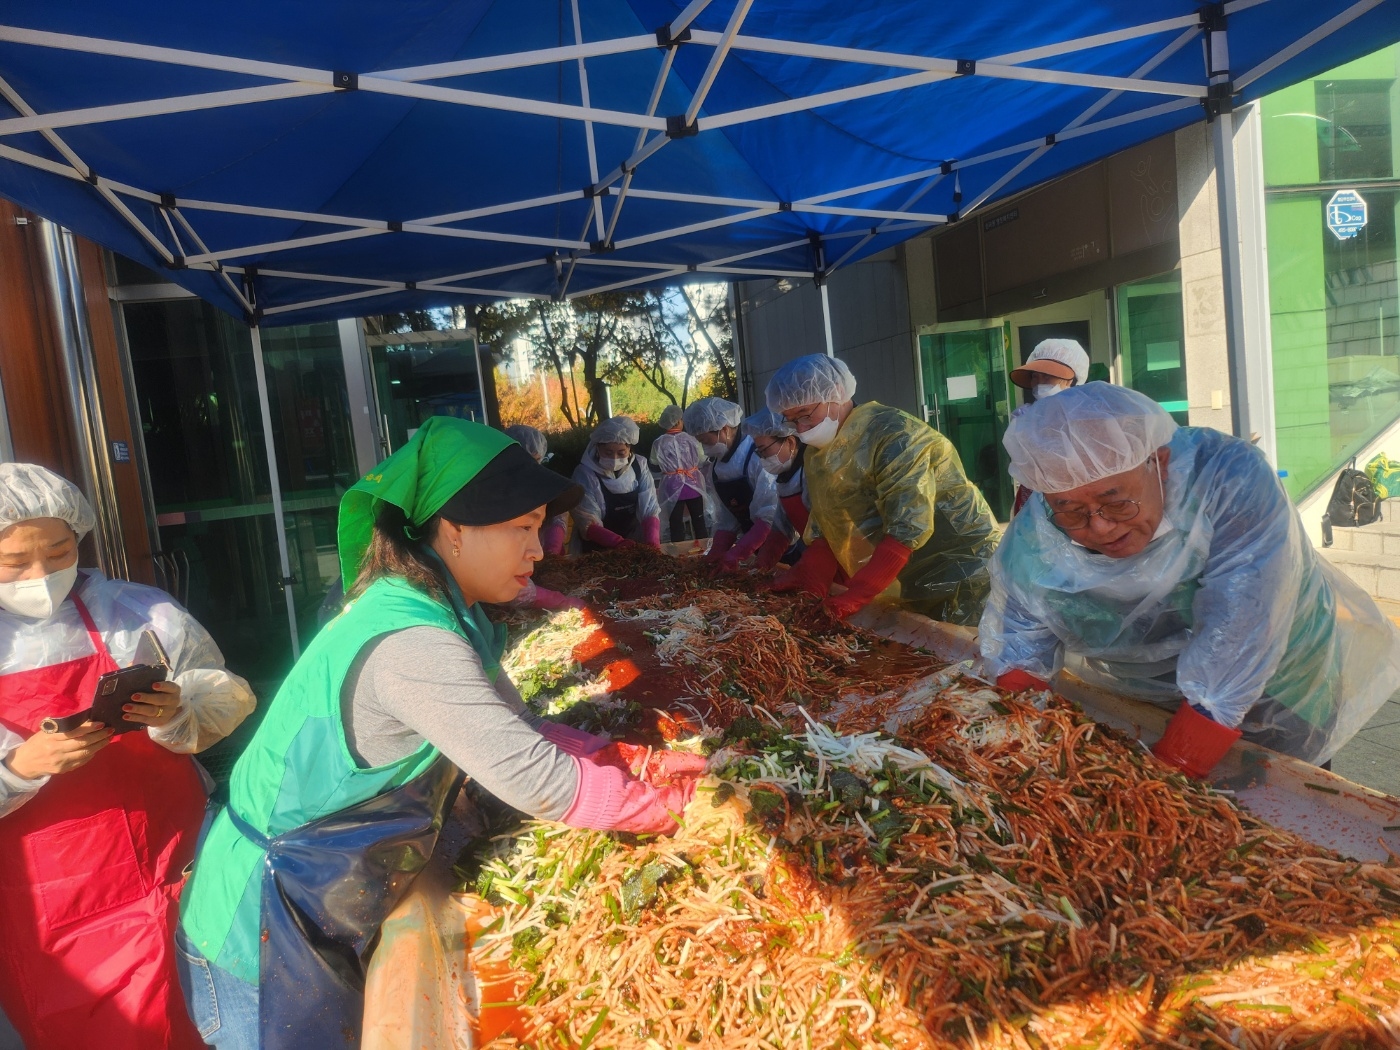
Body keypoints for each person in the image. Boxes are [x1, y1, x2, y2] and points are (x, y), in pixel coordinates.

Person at [177, 419, 704, 1049]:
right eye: (523, 527)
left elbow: (518, 728)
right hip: (265, 919)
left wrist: (623, 759)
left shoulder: (440, 609)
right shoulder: (413, 639)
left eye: (539, 527)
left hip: (321, 894)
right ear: (453, 530)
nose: (540, 549)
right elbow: (535, 778)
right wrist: (673, 811)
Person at [980, 383, 1400, 777]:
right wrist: (1013, 738)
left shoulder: (1228, 480)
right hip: (1148, 697)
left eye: (1117, 502)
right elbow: (1019, 649)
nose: (1101, 526)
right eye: (1072, 511)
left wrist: (1174, 769)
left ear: (1158, 463)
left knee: (1284, 799)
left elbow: (1243, 627)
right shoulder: (1036, 537)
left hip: (1278, 684)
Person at [0, 463, 254, 1050]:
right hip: (54, 901)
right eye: (16, 561)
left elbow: (222, 695)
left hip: (174, 860)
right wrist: (20, 768)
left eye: (59, 551)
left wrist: (174, 712)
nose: (41, 574)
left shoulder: (136, 614)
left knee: (209, 1015)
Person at [766, 355, 1000, 624]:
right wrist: (809, 571)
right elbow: (830, 522)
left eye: (806, 415)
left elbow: (908, 526)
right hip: (910, 573)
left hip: (966, 570)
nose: (802, 429)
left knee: (974, 650)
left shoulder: (896, 434)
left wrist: (858, 593)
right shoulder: (820, 454)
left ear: (837, 394)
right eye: (791, 421)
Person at [685, 397, 780, 572]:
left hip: (780, 546)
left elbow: (770, 517)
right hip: (753, 547)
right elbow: (727, 519)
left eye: (706, 441)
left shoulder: (758, 456)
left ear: (725, 430)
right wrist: (717, 553)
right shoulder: (716, 468)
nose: (704, 448)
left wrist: (737, 553)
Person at [502, 424, 582, 610]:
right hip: (512, 575)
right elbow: (511, 588)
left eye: (535, 461)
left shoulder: (543, 483)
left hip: (544, 564)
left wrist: (552, 550)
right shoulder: (500, 495)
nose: (530, 468)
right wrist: (556, 600)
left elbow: (559, 516)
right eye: (524, 461)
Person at [1009, 339, 1092, 515]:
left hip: (1080, 500)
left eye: (1048, 375)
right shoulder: (1026, 417)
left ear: (1072, 379)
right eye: (1035, 376)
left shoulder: (1089, 415)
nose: (1040, 382)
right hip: (1034, 500)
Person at [571, 416, 662, 550]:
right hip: (598, 545)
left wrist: (652, 541)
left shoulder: (639, 465)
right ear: (597, 448)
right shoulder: (585, 473)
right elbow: (587, 519)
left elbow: (649, 507)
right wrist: (617, 543)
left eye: (621, 453)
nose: (614, 458)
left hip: (634, 538)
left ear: (629, 449)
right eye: (608, 453)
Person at [742, 408, 807, 569]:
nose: (763, 459)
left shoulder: (809, 473)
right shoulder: (785, 477)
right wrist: (763, 563)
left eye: (764, 451)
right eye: (759, 453)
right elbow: (782, 528)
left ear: (790, 442)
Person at [650, 404, 712, 544]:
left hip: (671, 486)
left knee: (675, 523)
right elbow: (702, 459)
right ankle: (703, 547)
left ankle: (678, 551)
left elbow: (654, 463)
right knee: (698, 519)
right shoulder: (692, 439)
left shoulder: (658, 443)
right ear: (678, 421)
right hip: (693, 484)